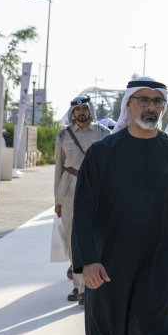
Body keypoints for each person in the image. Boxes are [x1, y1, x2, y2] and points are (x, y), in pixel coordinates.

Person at [72, 78, 168, 335]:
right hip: (107, 268)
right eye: (143, 100)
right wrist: (87, 261)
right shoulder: (102, 154)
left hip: (158, 268)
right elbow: (84, 211)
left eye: (157, 101)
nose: (151, 107)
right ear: (128, 104)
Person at [54, 95, 111, 303]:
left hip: (97, 191)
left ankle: (91, 285)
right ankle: (78, 286)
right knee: (72, 238)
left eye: (84, 109)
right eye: (77, 110)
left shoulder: (104, 133)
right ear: (72, 113)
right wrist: (57, 201)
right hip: (70, 191)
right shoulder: (63, 135)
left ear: (90, 110)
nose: (81, 113)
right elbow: (58, 169)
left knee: (95, 236)